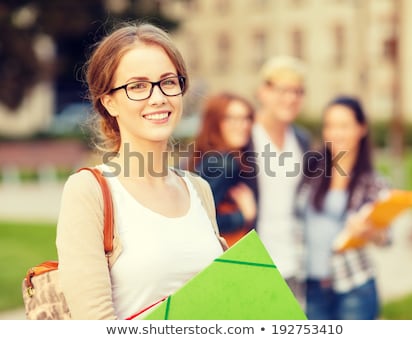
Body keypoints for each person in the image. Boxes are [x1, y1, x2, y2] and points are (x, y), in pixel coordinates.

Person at [55, 22, 225, 320]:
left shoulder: (199, 189)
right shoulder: (89, 191)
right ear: (109, 102)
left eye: (168, 82)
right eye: (137, 86)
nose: (158, 97)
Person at [295, 95, 391, 320]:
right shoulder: (311, 170)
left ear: (361, 128)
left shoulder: (374, 182)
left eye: (344, 126)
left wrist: (370, 232)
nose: (335, 133)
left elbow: (387, 238)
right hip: (311, 287)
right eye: (330, 126)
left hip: (354, 286)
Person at [250, 55, 311, 302]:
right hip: (254, 264)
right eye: (283, 90)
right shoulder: (244, 137)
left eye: (298, 91)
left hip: (294, 263)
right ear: (263, 91)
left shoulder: (302, 139)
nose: (291, 98)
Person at [187, 92, 258, 246]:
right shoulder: (223, 163)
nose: (244, 125)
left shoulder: (211, 157)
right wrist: (243, 216)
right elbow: (200, 219)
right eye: (232, 118)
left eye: (247, 118)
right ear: (214, 122)